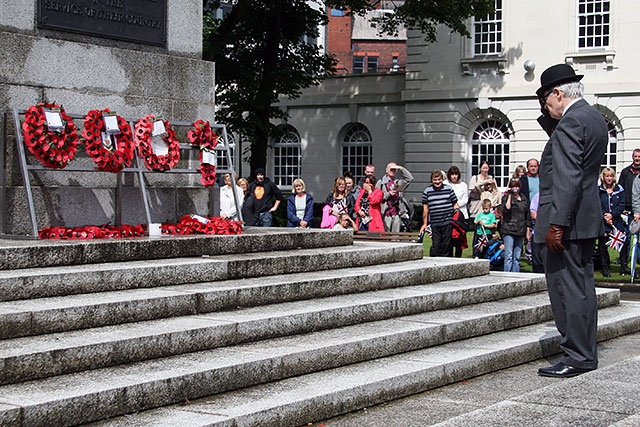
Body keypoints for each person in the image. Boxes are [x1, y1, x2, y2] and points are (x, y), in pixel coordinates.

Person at [534, 63, 608, 378]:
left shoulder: (570, 123)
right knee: (581, 286)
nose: (545, 107)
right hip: (586, 214)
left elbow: (567, 176)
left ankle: (576, 355)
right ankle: (583, 350)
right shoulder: (594, 118)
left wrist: (556, 225)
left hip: (566, 219)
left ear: (559, 93)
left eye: (546, 101)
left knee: (566, 288)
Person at [420, 169, 459, 257]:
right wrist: (425, 224)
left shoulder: (448, 189)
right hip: (435, 223)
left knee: (446, 245)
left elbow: (455, 204)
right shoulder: (427, 191)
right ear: (432, 180)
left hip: (448, 222)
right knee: (436, 246)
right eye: (435, 180)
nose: (437, 182)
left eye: (439, 180)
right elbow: (425, 209)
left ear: (442, 179)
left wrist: (457, 214)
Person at [598, 168, 627, 277]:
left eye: (611, 176)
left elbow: (622, 204)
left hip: (616, 221)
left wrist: (612, 214)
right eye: (607, 176)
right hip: (603, 222)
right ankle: (605, 268)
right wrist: (605, 215)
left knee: (623, 244)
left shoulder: (619, 189)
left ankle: (624, 267)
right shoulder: (599, 190)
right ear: (603, 177)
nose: (609, 178)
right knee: (603, 245)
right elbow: (597, 204)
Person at [615, 149, 640, 275]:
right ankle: (623, 261)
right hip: (627, 208)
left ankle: (637, 259)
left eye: (639, 157)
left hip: (638, 209)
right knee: (626, 237)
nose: (637, 159)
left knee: (638, 238)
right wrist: (622, 206)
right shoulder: (625, 172)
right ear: (632, 157)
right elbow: (620, 188)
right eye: (635, 156)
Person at [500, 179, 531, 272]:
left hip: (520, 230)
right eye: (513, 187)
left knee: (517, 257)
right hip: (509, 229)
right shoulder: (506, 198)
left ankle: (516, 275)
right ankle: (507, 276)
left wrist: (528, 230)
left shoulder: (523, 198)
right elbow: (506, 209)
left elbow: (527, 215)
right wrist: (509, 195)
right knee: (508, 256)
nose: (515, 189)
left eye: (516, 186)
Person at [529, 192, 544, 273]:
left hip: (553, 233)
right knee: (537, 260)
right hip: (538, 232)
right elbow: (533, 212)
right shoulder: (537, 196)